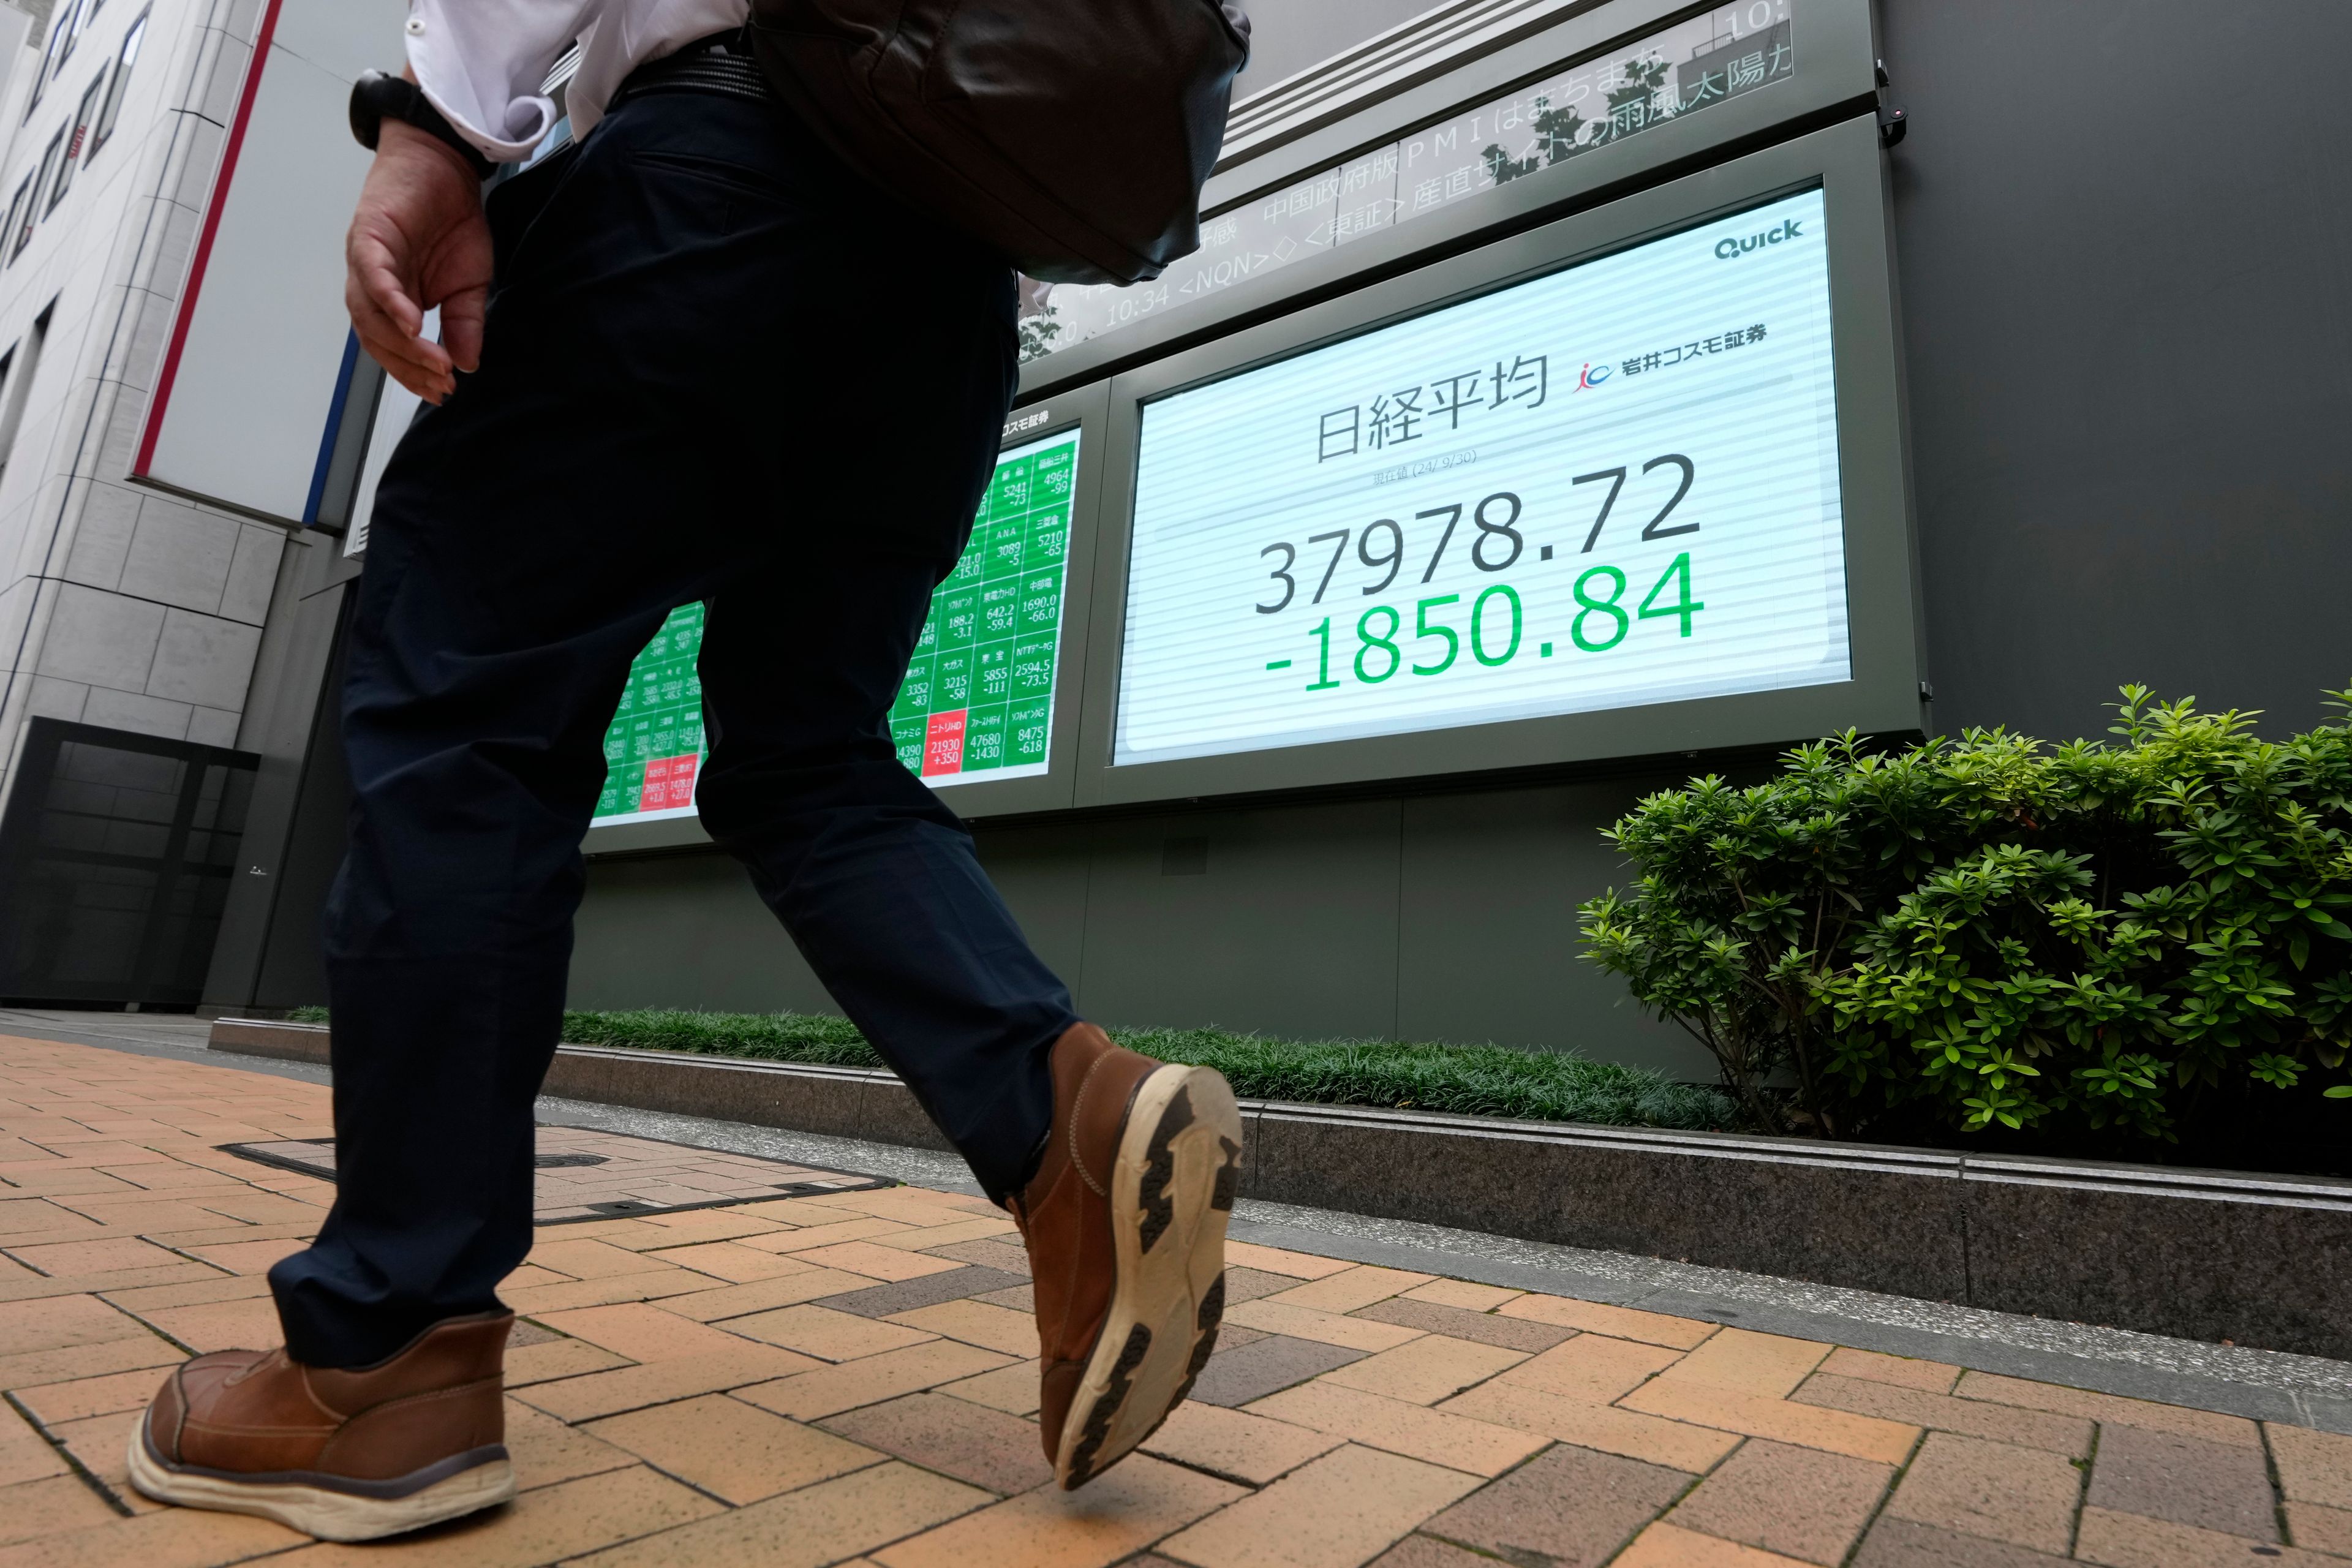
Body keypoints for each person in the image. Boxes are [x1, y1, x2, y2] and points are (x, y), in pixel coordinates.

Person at [126, 1, 1242, 1540]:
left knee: (473, 725)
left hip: (720, 174)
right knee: (807, 754)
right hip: (954, 268)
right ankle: (1064, 1117)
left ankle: (387, 1358)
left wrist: (433, 129)